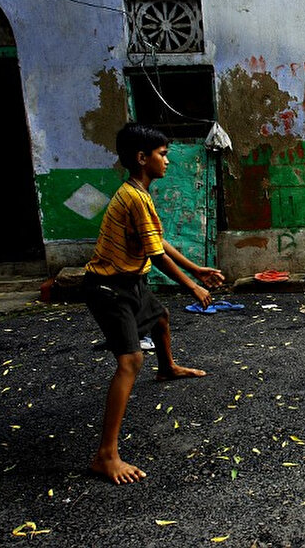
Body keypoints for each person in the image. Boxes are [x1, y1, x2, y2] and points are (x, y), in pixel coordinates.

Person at [83, 123, 225, 484]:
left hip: (129, 281)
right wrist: (193, 286)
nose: (167, 161)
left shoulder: (140, 195)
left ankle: (168, 368)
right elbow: (157, 254)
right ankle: (106, 455)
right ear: (142, 158)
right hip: (108, 287)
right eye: (162, 155)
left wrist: (197, 268)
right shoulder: (133, 196)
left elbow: (158, 241)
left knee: (160, 318)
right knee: (130, 361)